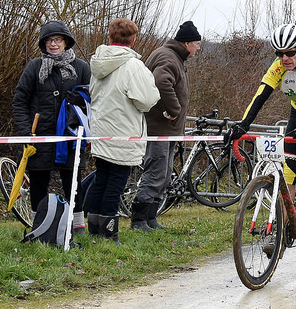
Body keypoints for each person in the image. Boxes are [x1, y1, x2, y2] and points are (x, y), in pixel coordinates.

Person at [225, 23, 296, 215]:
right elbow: (260, 95)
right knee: (289, 168)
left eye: (289, 52)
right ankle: (283, 225)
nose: (284, 58)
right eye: (279, 53)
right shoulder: (278, 67)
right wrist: (243, 124)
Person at [12, 20, 91, 233]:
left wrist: (85, 128)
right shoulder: (34, 67)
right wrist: (26, 131)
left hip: (71, 135)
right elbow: (20, 101)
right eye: (48, 40)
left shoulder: (81, 68)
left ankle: (78, 225)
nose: (53, 44)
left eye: (57, 39)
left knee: (73, 181)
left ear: (66, 42)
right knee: (38, 181)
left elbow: (92, 102)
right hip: (40, 136)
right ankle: (39, 226)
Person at [86, 18, 160, 244]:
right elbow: (147, 100)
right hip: (124, 132)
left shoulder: (97, 63)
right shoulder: (134, 66)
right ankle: (110, 233)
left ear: (110, 37)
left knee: (101, 179)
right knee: (115, 184)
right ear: (134, 39)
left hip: (101, 130)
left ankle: (94, 230)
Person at [131, 20, 202, 232]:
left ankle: (150, 218)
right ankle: (138, 220)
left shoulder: (173, 56)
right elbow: (161, 81)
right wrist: (174, 109)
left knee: (163, 173)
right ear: (187, 43)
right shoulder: (168, 57)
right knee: (156, 173)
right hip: (159, 128)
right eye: (197, 44)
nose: (198, 48)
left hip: (168, 130)